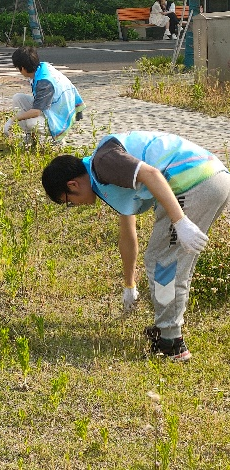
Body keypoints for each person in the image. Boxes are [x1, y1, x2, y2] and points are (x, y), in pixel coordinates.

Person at [41, 131, 230, 361]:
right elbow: (127, 234)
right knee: (172, 261)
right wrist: (129, 284)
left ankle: (171, 342)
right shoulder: (105, 176)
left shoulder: (103, 163)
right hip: (211, 178)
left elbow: (151, 173)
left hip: (194, 182)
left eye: (68, 202)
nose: (74, 206)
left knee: (164, 264)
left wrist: (180, 222)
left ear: (72, 184)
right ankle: (167, 329)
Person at [3, 46, 85, 145]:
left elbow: (36, 112)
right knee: (18, 98)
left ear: (23, 68)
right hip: (56, 107)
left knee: (31, 123)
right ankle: (30, 137)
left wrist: (12, 120)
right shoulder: (42, 67)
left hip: (62, 117)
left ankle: (59, 139)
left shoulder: (44, 82)